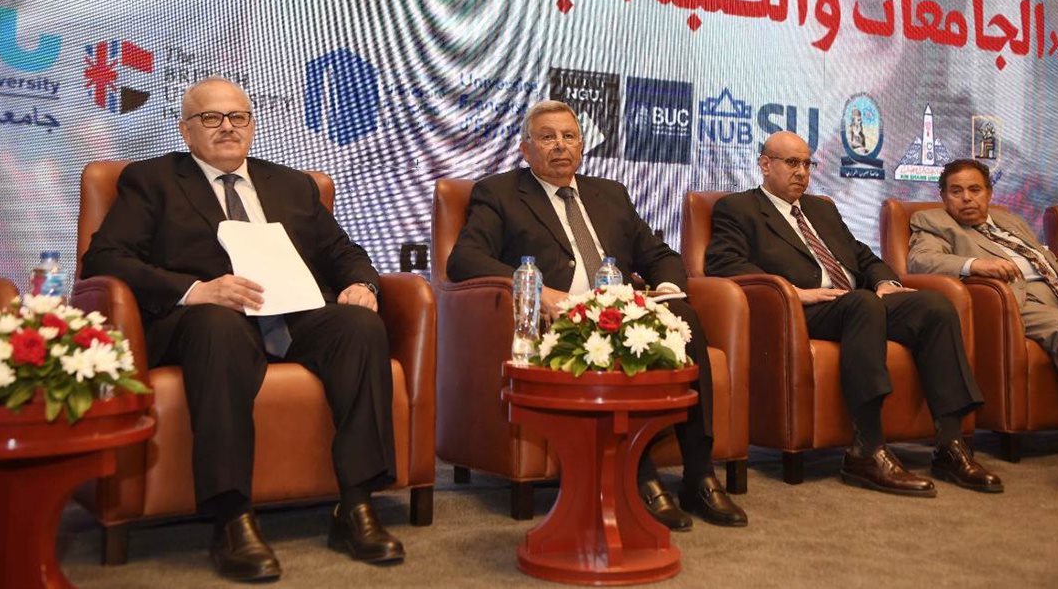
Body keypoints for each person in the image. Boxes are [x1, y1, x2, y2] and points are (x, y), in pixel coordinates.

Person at [81, 77, 402, 582]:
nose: (227, 127)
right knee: (219, 325)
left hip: (291, 315)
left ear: (252, 125)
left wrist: (362, 284)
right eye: (211, 118)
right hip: (203, 322)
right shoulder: (153, 180)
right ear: (186, 130)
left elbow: (344, 253)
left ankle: (356, 505)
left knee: (358, 327)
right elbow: (104, 258)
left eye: (238, 117)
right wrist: (195, 290)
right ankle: (231, 516)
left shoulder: (292, 185)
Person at [447, 100, 747, 529]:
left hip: (620, 308)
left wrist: (665, 291)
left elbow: (659, 255)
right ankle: (641, 479)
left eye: (569, 136)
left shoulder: (610, 194)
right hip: (560, 317)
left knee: (683, 316)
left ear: (582, 146)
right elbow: (465, 259)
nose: (560, 145)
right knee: (605, 340)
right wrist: (537, 290)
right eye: (547, 137)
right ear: (525, 149)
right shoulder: (499, 193)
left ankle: (700, 476)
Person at [705, 131, 1001, 496]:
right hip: (799, 311)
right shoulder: (739, 208)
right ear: (765, 165)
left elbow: (862, 256)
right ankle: (867, 450)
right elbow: (723, 263)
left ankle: (950, 445)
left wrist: (884, 282)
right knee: (862, 304)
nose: (801, 172)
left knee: (934, 307)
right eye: (792, 163)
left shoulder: (821, 209)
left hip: (855, 304)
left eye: (807, 164)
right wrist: (792, 292)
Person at [907, 158, 1058, 431]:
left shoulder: (1009, 219)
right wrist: (975, 265)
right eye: (956, 191)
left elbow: (1044, 259)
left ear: (989, 193)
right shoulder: (933, 221)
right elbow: (921, 260)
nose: (966, 198)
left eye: (975, 190)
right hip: (1014, 304)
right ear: (943, 196)